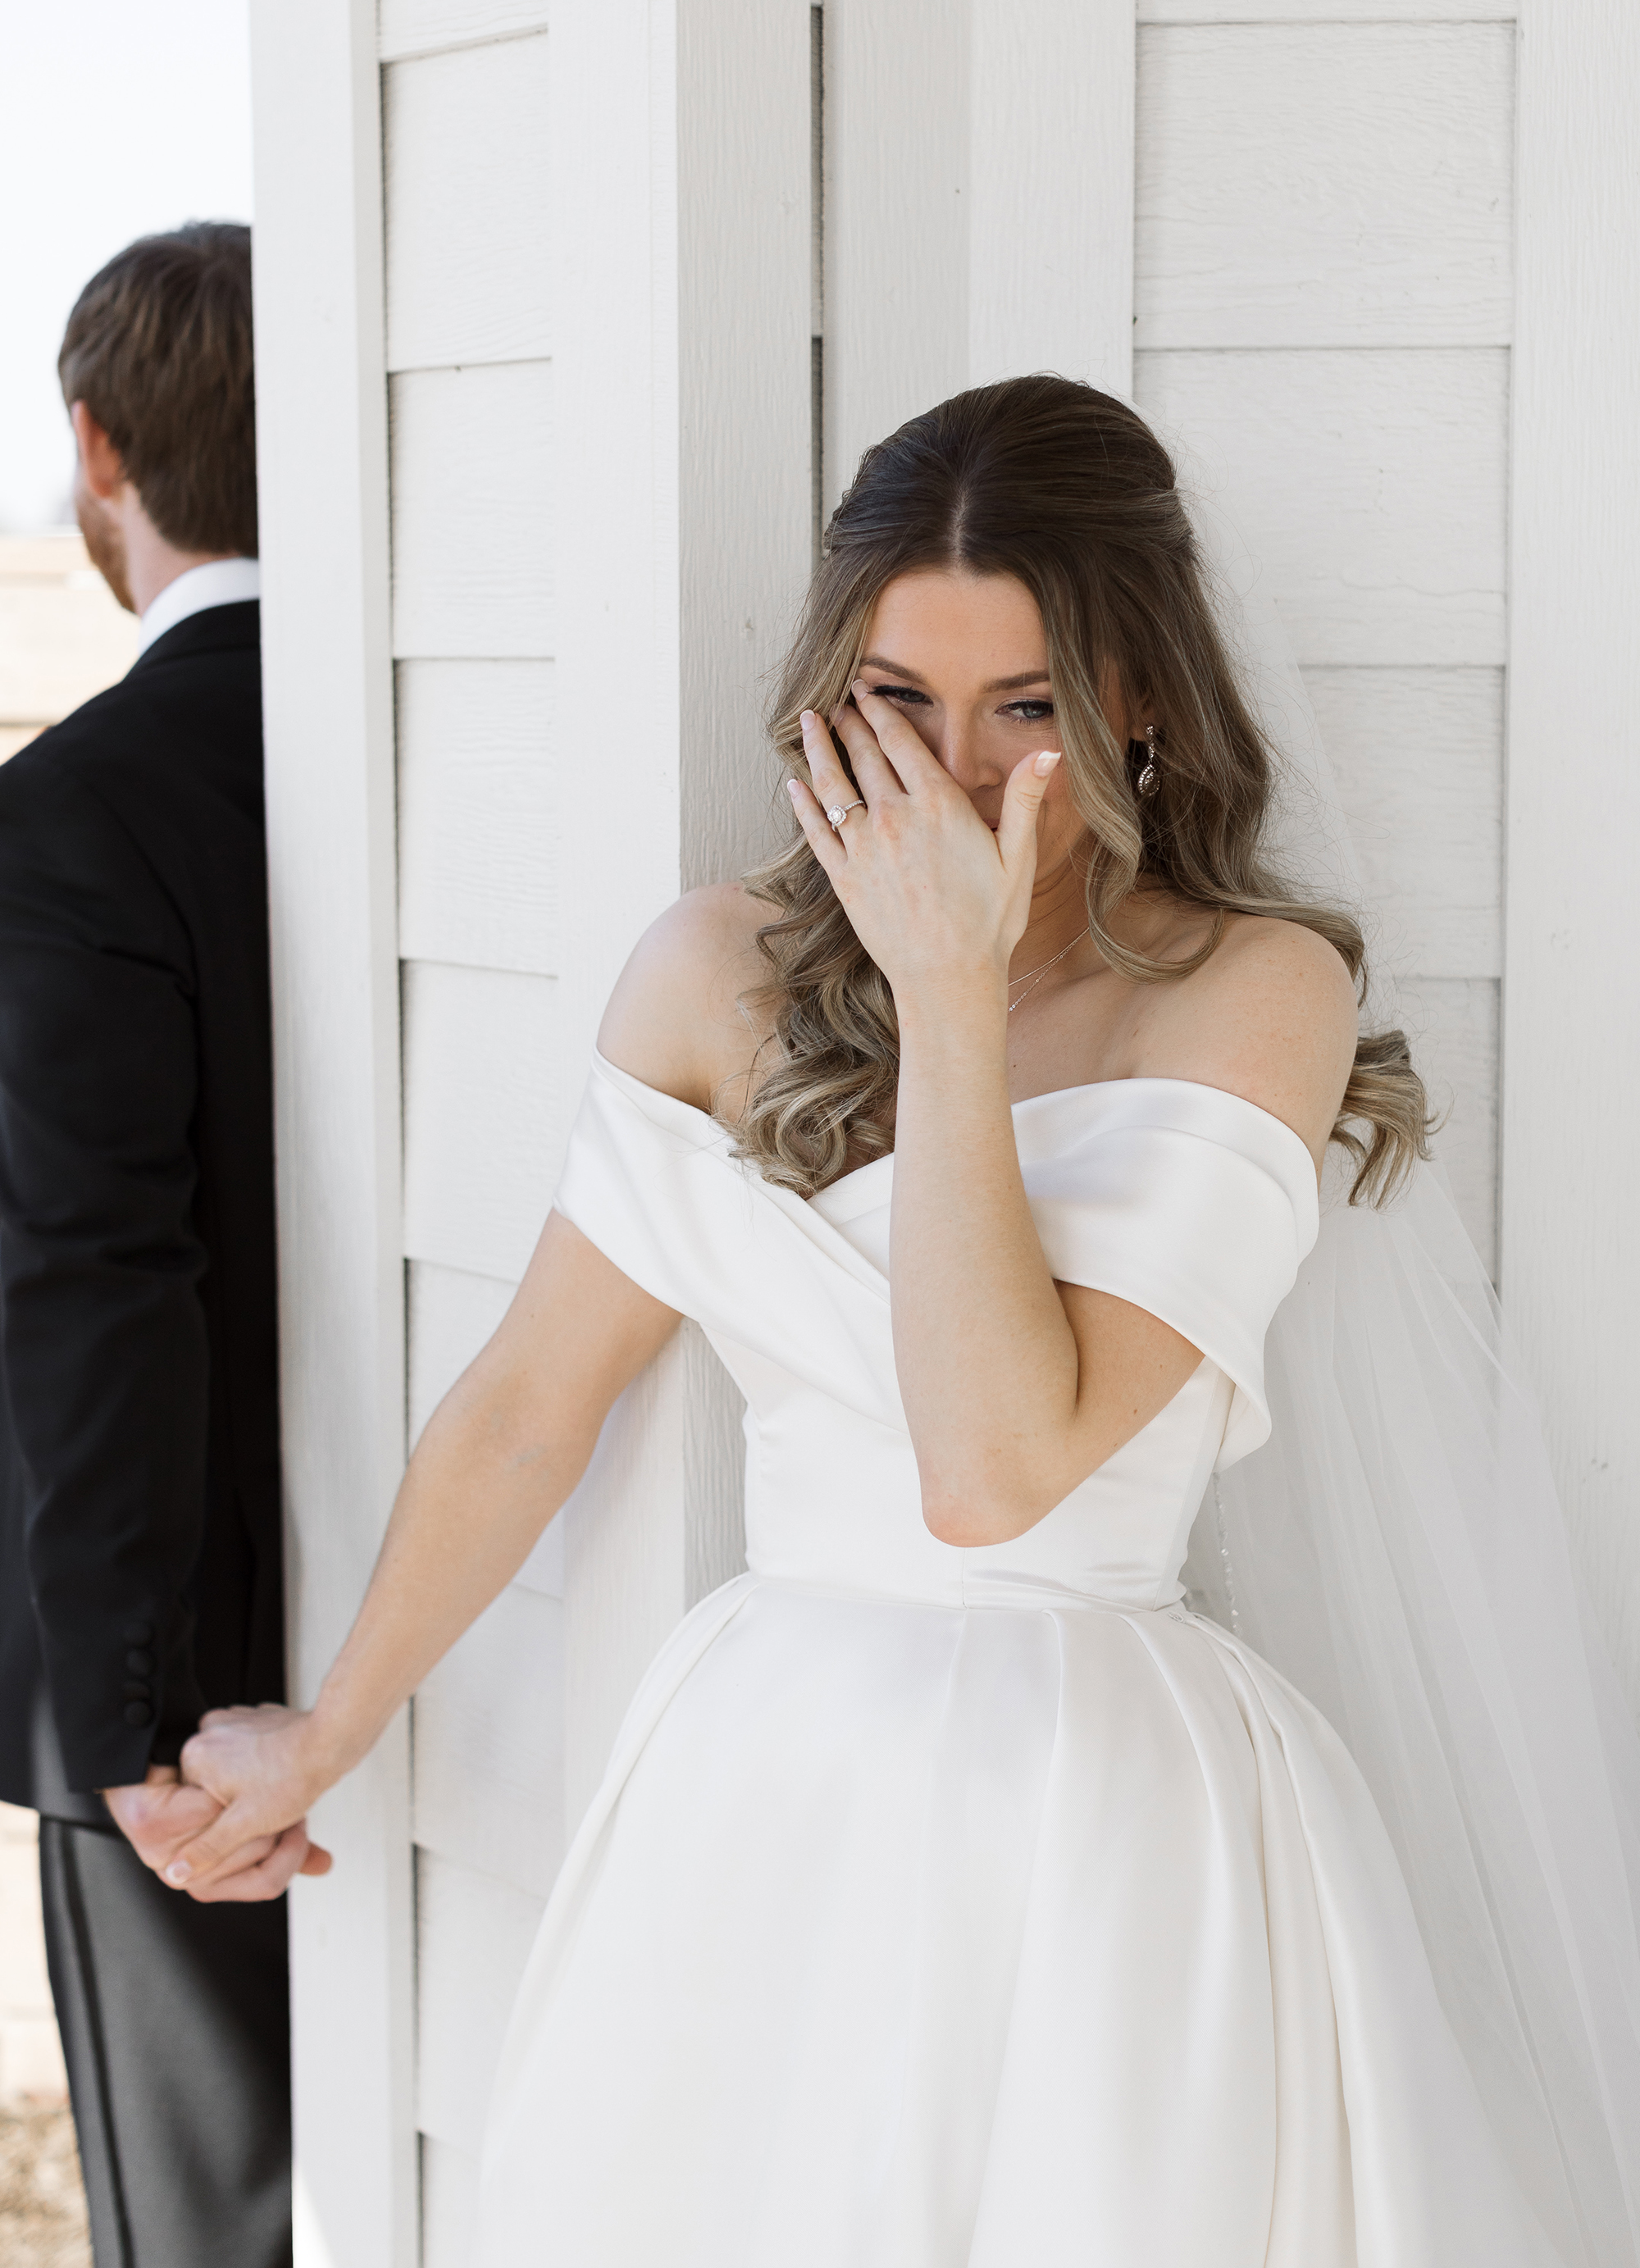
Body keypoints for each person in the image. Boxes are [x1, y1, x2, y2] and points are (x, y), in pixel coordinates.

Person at [171, 379, 1640, 2261]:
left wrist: (947, 1000)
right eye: (898, 702)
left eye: (1023, 707)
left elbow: (996, 1472)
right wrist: (328, 1731)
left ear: (1135, 700)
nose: (950, 776)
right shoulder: (714, 970)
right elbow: (533, 1399)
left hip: (1089, 1811)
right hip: (764, 1783)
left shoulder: (1250, 990)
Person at [0, 224, 317, 2268]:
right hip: (517, 1613)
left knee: (213, 2231)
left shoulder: (79, 806)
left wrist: (120, 1721)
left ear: (100, 450)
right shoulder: (466, 753)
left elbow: (88, 1275)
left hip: (190, 1694)